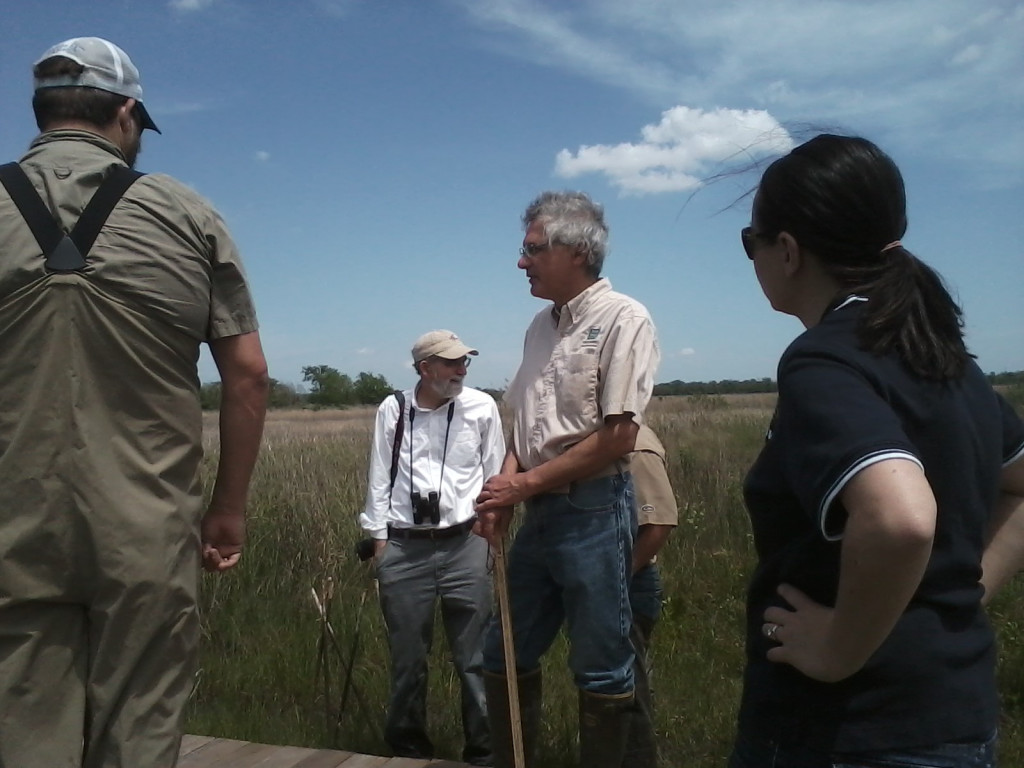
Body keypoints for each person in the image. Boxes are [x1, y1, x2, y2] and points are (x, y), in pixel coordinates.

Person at [0, 37, 268, 768]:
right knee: (140, 731)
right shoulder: (187, 214)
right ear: (125, 114)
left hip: (11, 526)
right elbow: (246, 375)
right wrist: (227, 508)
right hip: (147, 525)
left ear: (41, 112)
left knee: (17, 728)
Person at [730, 134, 1024, 768]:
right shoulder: (940, 355)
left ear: (786, 250)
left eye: (750, 240)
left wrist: (838, 648)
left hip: (847, 730)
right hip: (955, 715)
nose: (751, 256)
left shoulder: (824, 359)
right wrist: (966, 591)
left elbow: (900, 518)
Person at [474, 191, 660, 768]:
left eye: (532, 249)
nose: (521, 262)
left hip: (595, 510)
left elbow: (617, 438)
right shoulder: (539, 326)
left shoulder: (624, 318)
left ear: (576, 250)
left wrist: (523, 486)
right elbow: (524, 427)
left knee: (602, 664)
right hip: (540, 512)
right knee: (502, 651)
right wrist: (505, 491)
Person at [359, 330, 505, 766]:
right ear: (425, 368)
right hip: (405, 547)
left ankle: (483, 753)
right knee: (408, 660)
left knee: (475, 659)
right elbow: (379, 476)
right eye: (452, 362)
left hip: (466, 543)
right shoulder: (394, 408)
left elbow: (494, 472)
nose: (462, 369)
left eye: (465, 362)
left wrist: (491, 532)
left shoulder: (482, 407)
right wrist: (379, 539)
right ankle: (407, 750)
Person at [624, 424, 678, 768]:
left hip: (632, 582)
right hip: (621, 578)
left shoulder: (636, 446)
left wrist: (617, 575)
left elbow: (659, 523)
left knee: (629, 691)